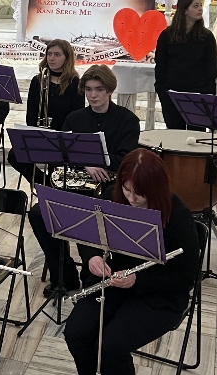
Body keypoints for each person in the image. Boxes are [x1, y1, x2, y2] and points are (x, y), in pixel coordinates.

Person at [64, 149, 199, 375]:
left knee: (112, 342)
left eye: (140, 194)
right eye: (127, 190)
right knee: (76, 331)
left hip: (158, 292)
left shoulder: (177, 215)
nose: (132, 199)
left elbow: (186, 277)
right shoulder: (113, 195)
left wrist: (138, 281)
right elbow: (87, 234)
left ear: (157, 188)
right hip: (115, 280)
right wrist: (92, 258)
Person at [28, 65, 141, 294]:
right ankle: (64, 277)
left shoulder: (128, 120)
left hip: (108, 187)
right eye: (88, 89)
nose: (93, 95)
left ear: (109, 90)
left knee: (90, 213)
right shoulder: (75, 118)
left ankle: (93, 272)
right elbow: (61, 155)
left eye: (99, 89)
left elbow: (125, 160)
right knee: (39, 213)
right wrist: (86, 164)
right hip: (76, 184)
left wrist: (99, 165)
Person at [7, 39, 84, 184]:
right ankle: (43, 183)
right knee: (14, 155)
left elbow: (77, 115)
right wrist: (33, 133)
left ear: (66, 58)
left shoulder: (75, 83)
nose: (52, 58)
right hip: (40, 134)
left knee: (57, 165)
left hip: (62, 138)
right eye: (49, 54)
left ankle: (51, 186)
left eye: (57, 54)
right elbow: (31, 112)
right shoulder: (37, 80)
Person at [154, 0, 217, 130]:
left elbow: (211, 68)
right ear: (184, 10)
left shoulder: (206, 37)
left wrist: (207, 95)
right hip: (172, 93)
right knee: (175, 133)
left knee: (196, 136)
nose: (200, 9)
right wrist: (162, 90)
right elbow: (160, 65)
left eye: (200, 6)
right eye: (195, 6)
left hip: (197, 94)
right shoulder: (167, 35)